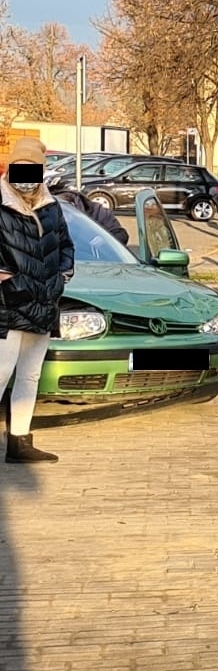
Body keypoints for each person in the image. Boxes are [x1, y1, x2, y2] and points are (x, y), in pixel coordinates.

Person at [0, 136, 75, 464]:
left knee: (30, 376)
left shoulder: (51, 205)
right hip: (8, 306)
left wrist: (62, 277)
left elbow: (65, 246)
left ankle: (20, 442)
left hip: (44, 304)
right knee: (1, 374)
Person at [54, 186, 129, 245]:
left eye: (67, 213)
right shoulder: (46, 212)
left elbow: (121, 235)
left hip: (94, 261)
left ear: (74, 206)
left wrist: (105, 241)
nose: (66, 219)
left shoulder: (97, 212)